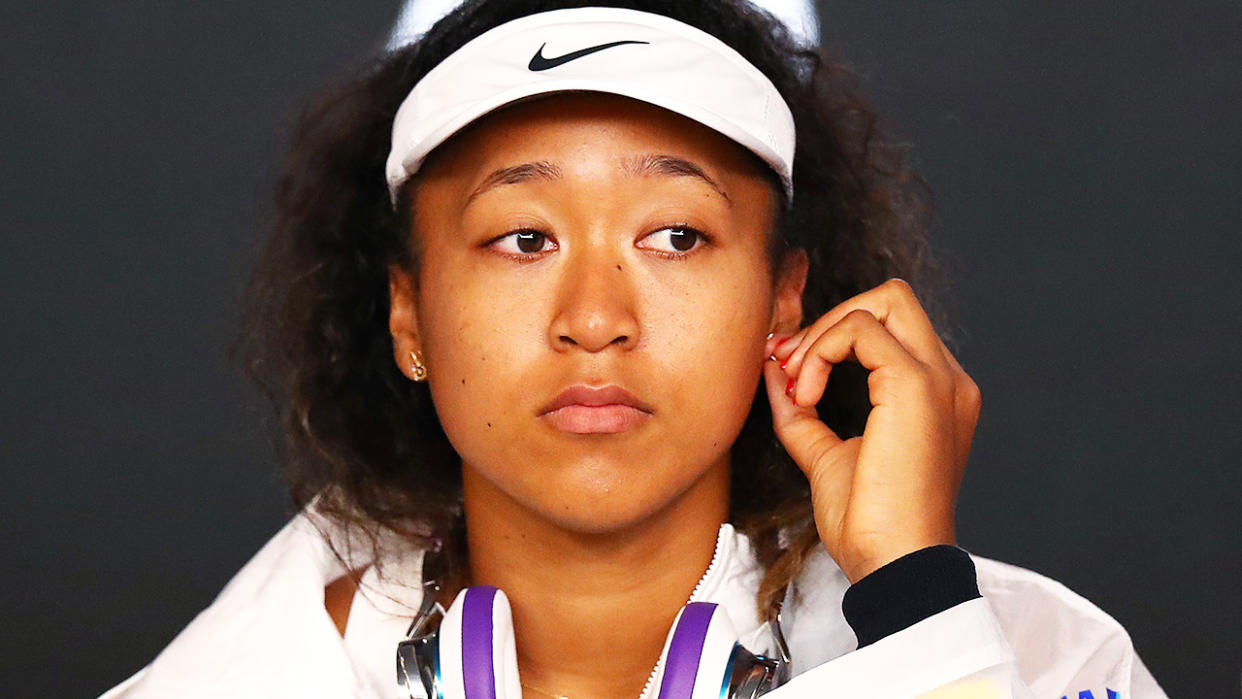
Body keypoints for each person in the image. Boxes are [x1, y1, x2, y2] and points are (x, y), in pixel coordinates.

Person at [100, 1, 1168, 697]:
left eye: (677, 235)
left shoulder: (1048, 661)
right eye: (523, 238)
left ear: (782, 299)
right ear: (409, 317)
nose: (597, 315)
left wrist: (913, 604)